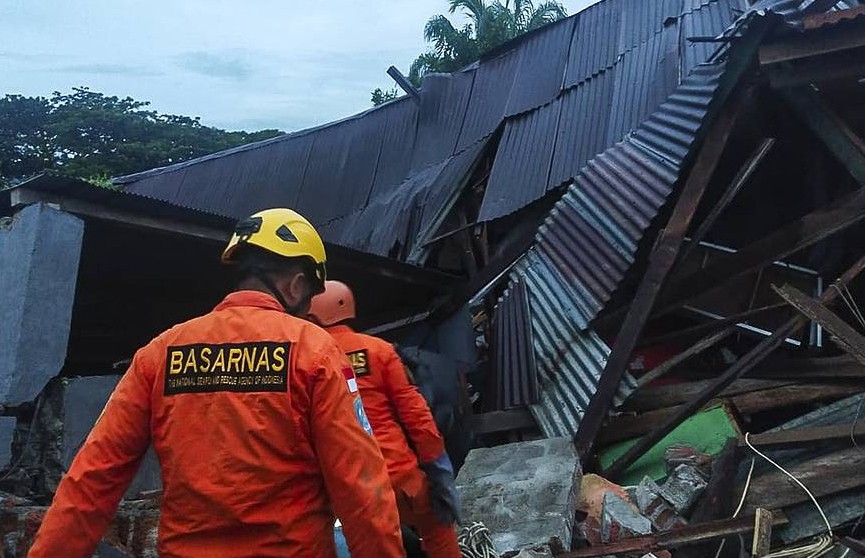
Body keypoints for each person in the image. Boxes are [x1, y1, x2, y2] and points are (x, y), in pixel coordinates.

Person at [29, 209, 403, 558]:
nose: (307, 312)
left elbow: (92, 480)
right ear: (296, 285)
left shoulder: (161, 352)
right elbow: (362, 489)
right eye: (309, 299)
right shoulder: (315, 351)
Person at [308, 280, 462, 558]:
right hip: (401, 480)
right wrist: (440, 475)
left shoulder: (308, 359)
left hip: (349, 492)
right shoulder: (379, 351)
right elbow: (418, 419)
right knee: (439, 530)